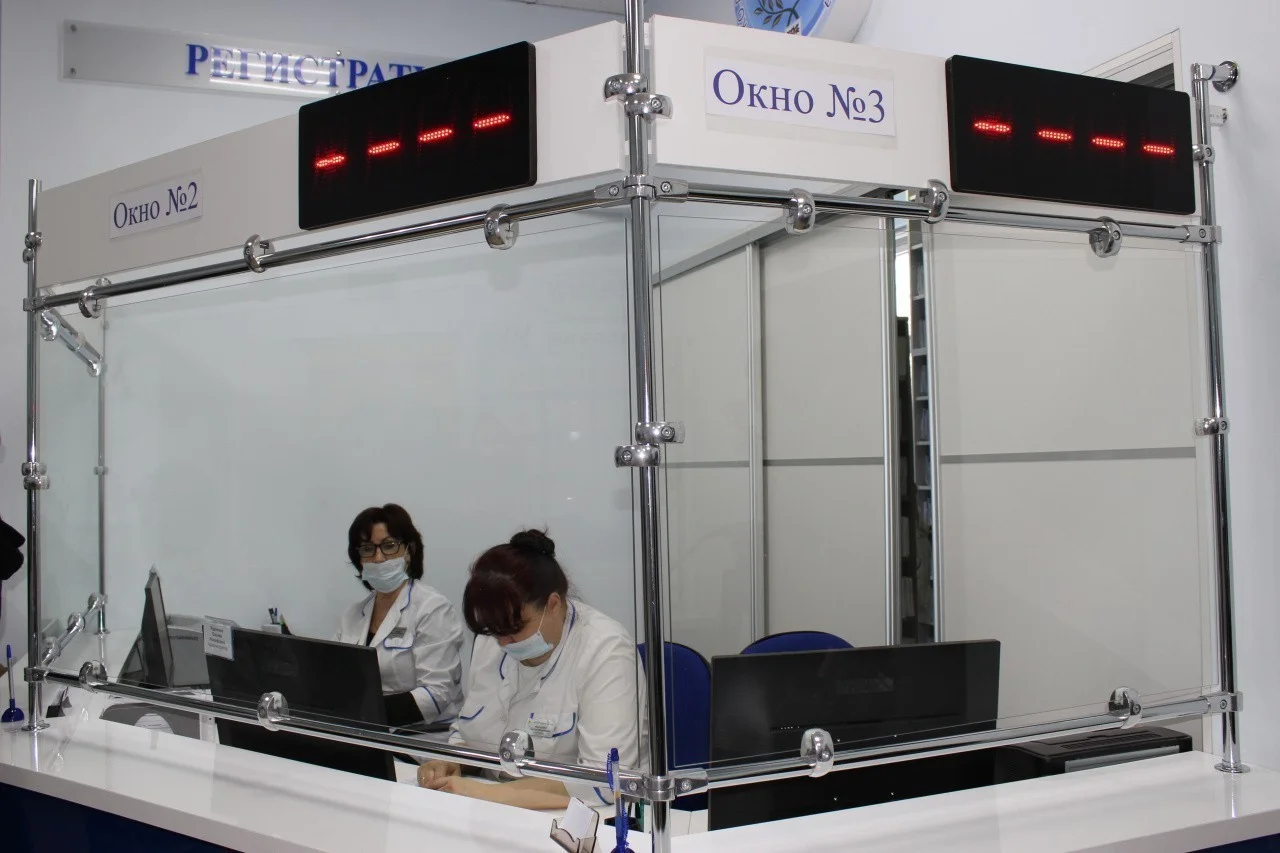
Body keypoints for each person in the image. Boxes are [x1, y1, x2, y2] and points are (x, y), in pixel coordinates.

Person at [418, 529, 645, 810]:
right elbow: (468, 733)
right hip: (492, 807)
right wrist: (452, 761)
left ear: (553, 604)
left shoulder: (605, 650)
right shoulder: (491, 641)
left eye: (514, 628)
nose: (503, 642)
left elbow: (604, 781)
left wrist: (486, 794)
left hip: (587, 817)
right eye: (493, 630)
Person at [336, 504, 463, 728]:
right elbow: (336, 676)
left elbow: (437, 693)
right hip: (368, 730)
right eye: (367, 549)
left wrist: (368, 714)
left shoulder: (432, 608)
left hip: (423, 736)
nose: (378, 558)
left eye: (389, 546)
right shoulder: (353, 615)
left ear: (409, 551)